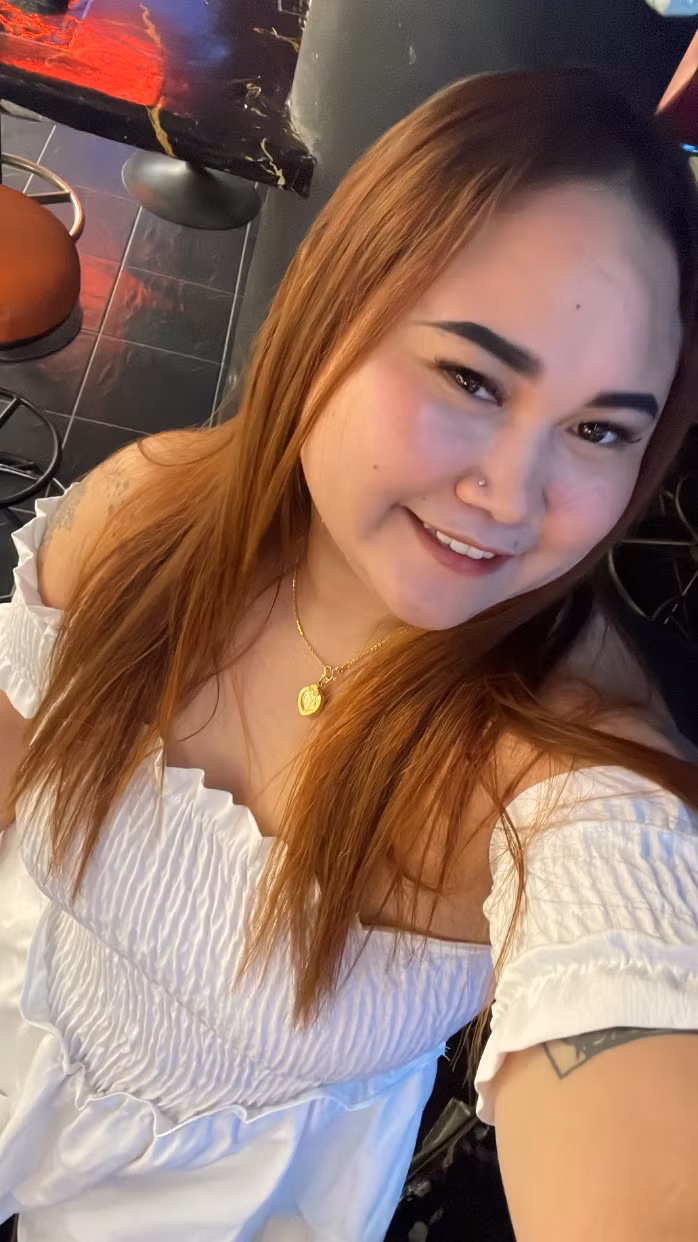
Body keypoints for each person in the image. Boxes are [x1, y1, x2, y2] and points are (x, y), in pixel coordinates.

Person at [1, 68, 697, 1242]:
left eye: (596, 429)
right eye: (470, 377)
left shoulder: (565, 780)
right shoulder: (139, 520)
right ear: (333, 310)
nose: (509, 496)